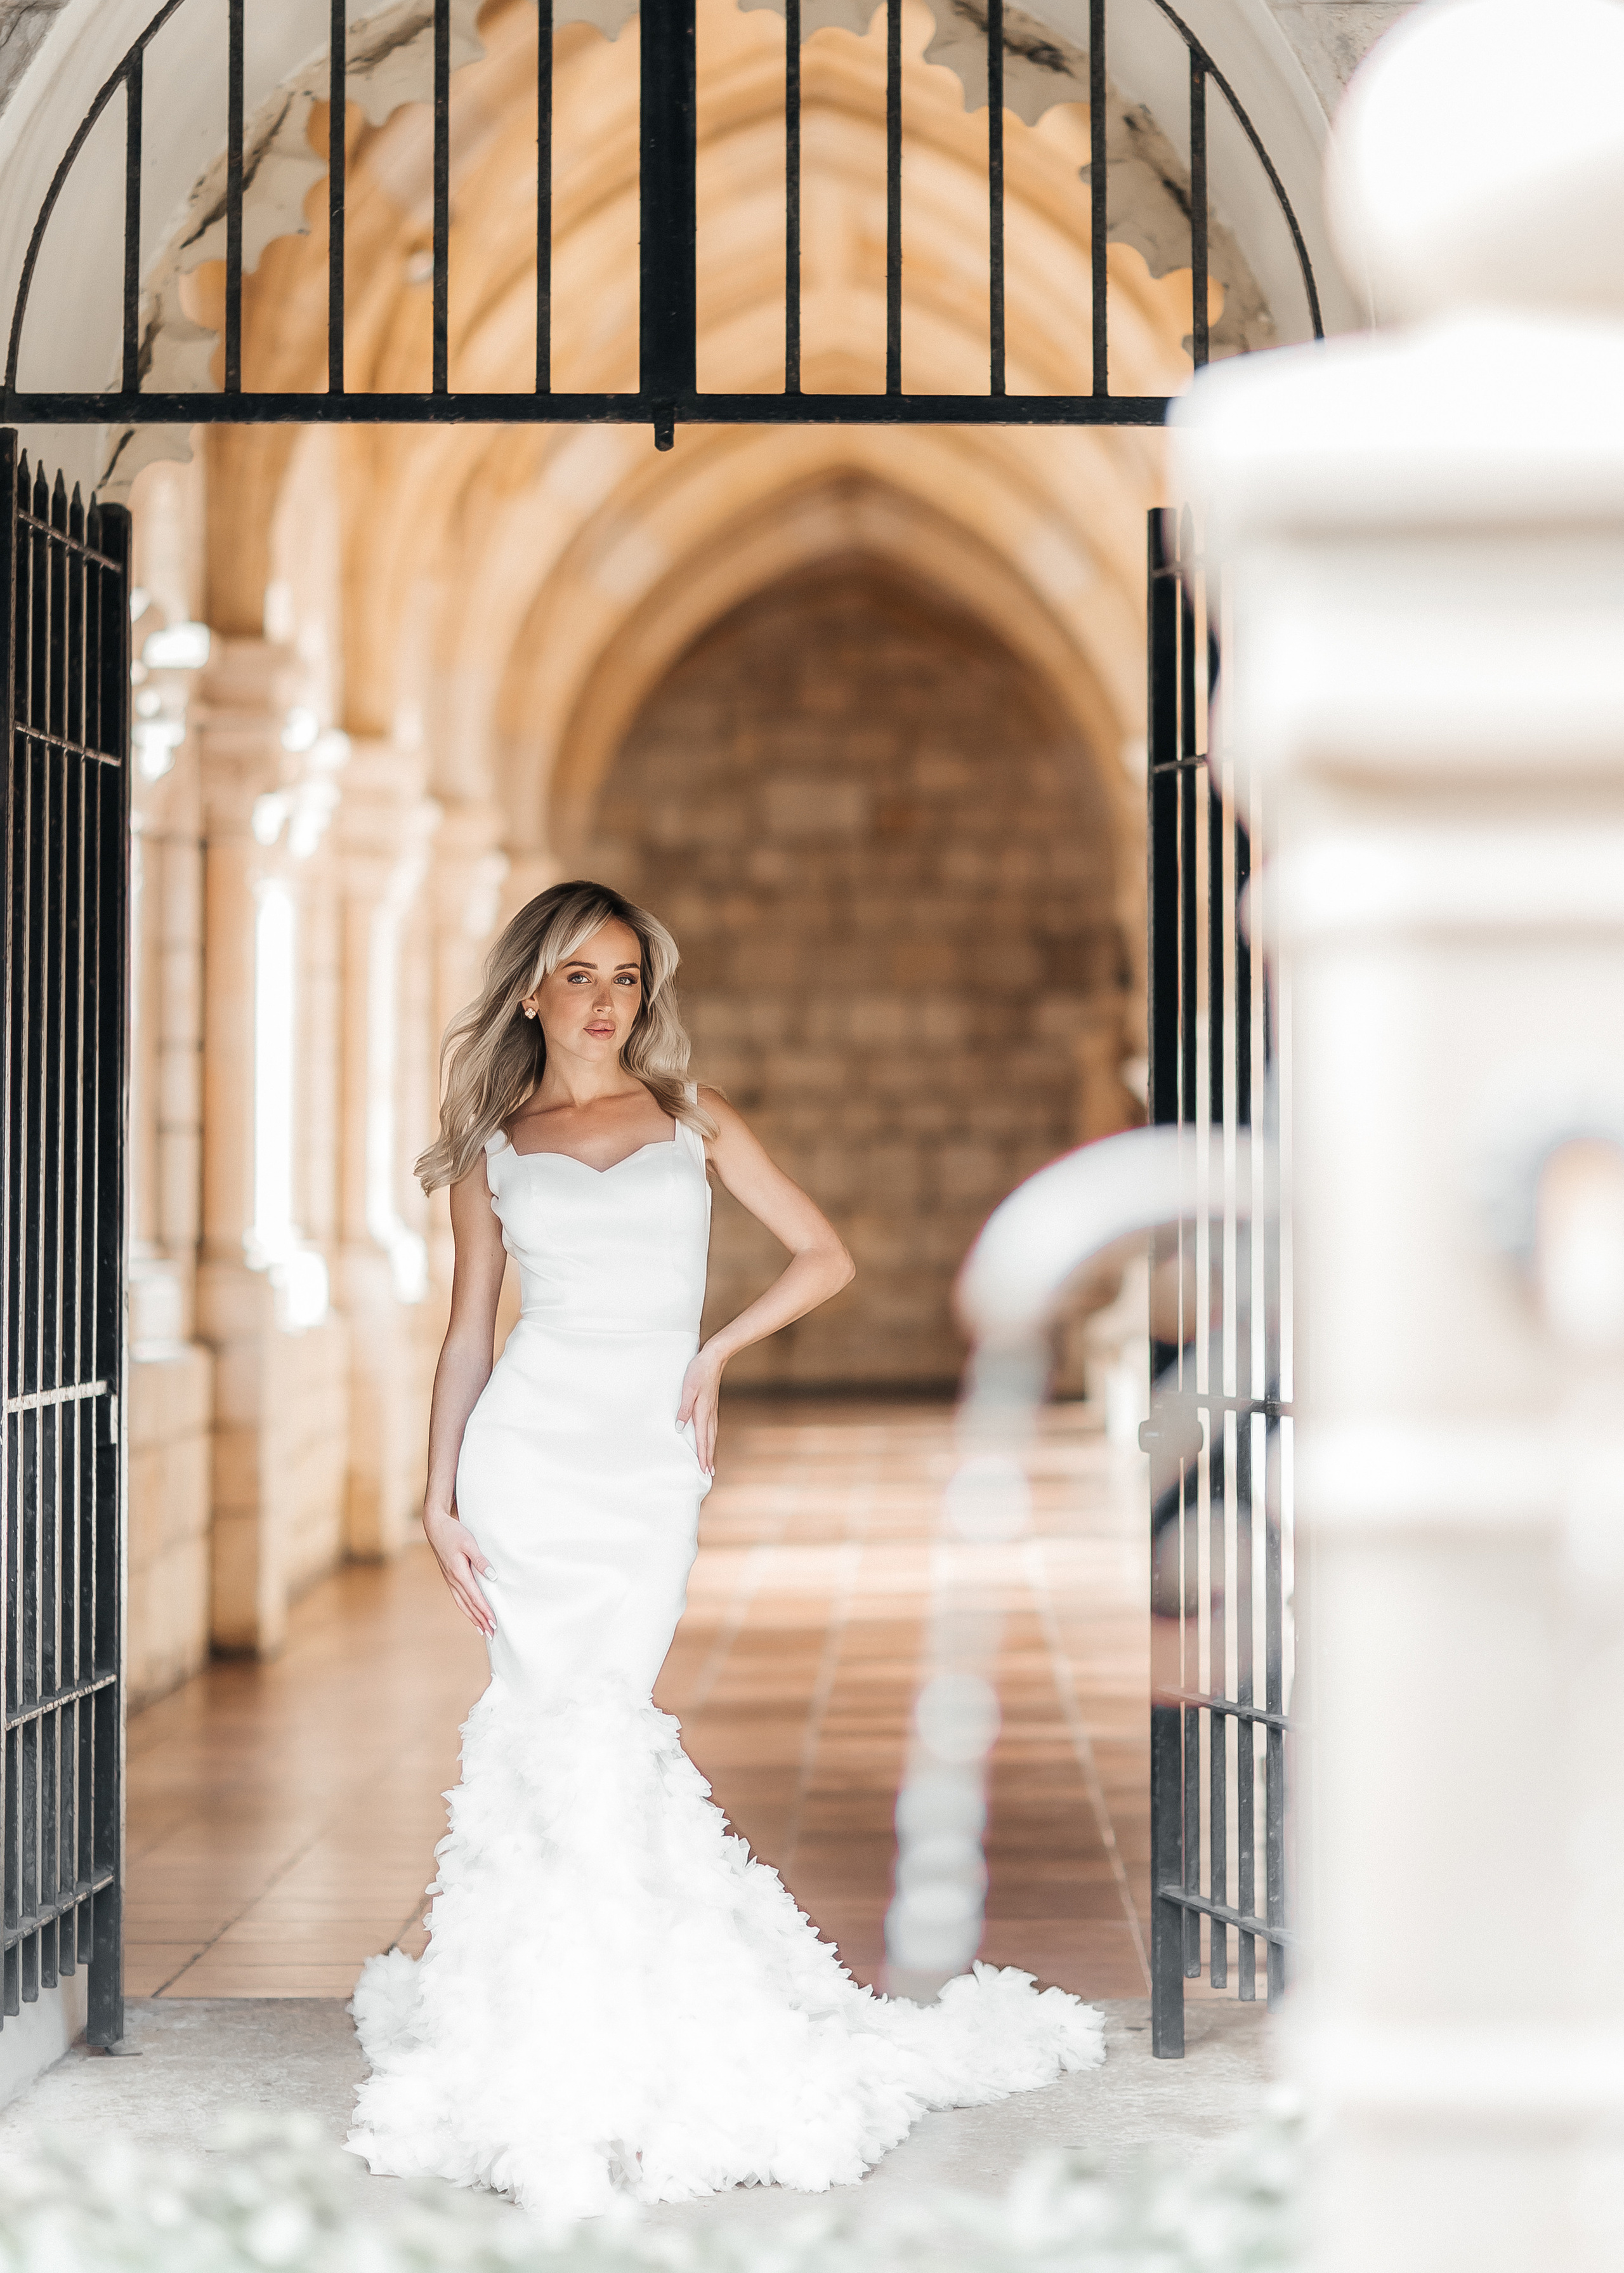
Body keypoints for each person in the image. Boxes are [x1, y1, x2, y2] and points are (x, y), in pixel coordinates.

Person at [346, 880, 1103, 2218]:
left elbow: (823, 1256)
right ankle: (533, 2020)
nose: (603, 1001)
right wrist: (436, 1490)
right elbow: (470, 1330)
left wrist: (714, 1351)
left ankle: (587, 2004)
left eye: (625, 978)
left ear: (647, 994)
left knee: (604, 1716)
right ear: (530, 990)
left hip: (644, 1463)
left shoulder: (695, 1119)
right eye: (578, 976)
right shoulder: (491, 1148)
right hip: (524, 1456)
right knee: (539, 1720)